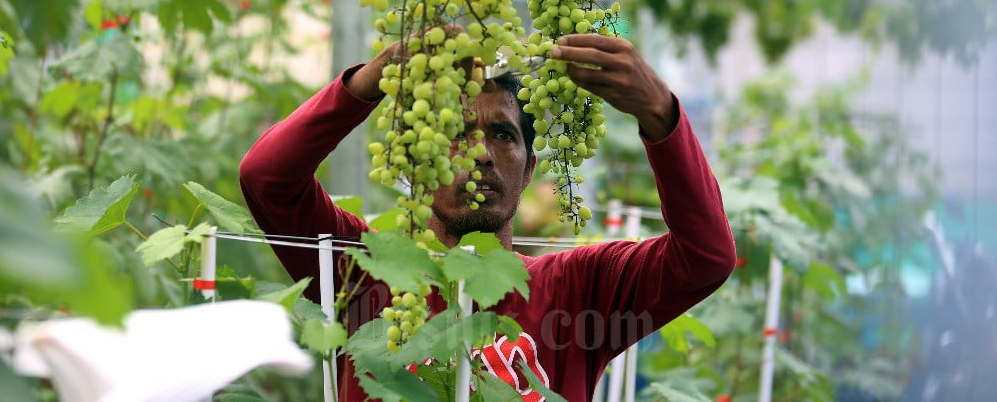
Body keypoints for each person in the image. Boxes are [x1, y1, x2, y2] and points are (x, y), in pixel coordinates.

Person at [239, 31, 736, 401]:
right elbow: (267, 178)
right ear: (419, 160)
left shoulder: (583, 289)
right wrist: (370, 81)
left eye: (503, 134)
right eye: (456, 132)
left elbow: (706, 258)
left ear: (530, 170)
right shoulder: (367, 274)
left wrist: (660, 113)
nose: (479, 154)